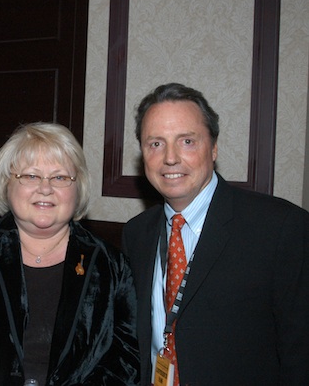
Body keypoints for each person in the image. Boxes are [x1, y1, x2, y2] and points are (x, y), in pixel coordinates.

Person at [0, 122, 140, 385]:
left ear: (78, 188)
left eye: (60, 177)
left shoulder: (111, 265)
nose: (45, 188)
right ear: (7, 183)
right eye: (30, 176)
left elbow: (126, 358)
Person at [122, 82, 309, 386]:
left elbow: (300, 354)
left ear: (214, 147)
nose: (170, 158)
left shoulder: (281, 228)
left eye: (187, 141)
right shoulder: (137, 234)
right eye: (155, 143)